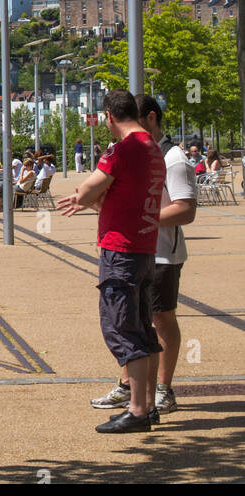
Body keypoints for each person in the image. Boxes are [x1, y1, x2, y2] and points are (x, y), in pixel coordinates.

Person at [57, 89, 165, 433]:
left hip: (121, 250)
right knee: (144, 326)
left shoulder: (123, 149)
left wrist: (84, 196)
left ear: (108, 117)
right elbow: (120, 196)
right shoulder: (152, 147)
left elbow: (90, 190)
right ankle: (147, 406)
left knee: (122, 326)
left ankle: (135, 411)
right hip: (146, 246)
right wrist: (95, 198)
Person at [91, 95, 196, 417]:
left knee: (160, 319)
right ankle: (131, 389)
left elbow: (185, 209)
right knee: (135, 322)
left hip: (163, 252)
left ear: (150, 118)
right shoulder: (135, 152)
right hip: (137, 248)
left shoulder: (172, 157)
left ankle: (163, 390)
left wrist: (141, 220)